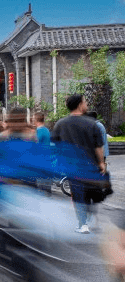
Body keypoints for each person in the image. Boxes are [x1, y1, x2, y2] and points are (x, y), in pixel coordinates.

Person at [54, 93, 107, 233]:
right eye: (85, 102)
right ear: (79, 105)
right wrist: (101, 163)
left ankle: (83, 224)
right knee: (90, 193)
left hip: (72, 166)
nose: (86, 104)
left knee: (78, 194)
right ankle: (88, 219)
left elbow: (56, 146)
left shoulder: (61, 124)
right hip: (91, 166)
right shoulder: (92, 124)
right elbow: (98, 147)